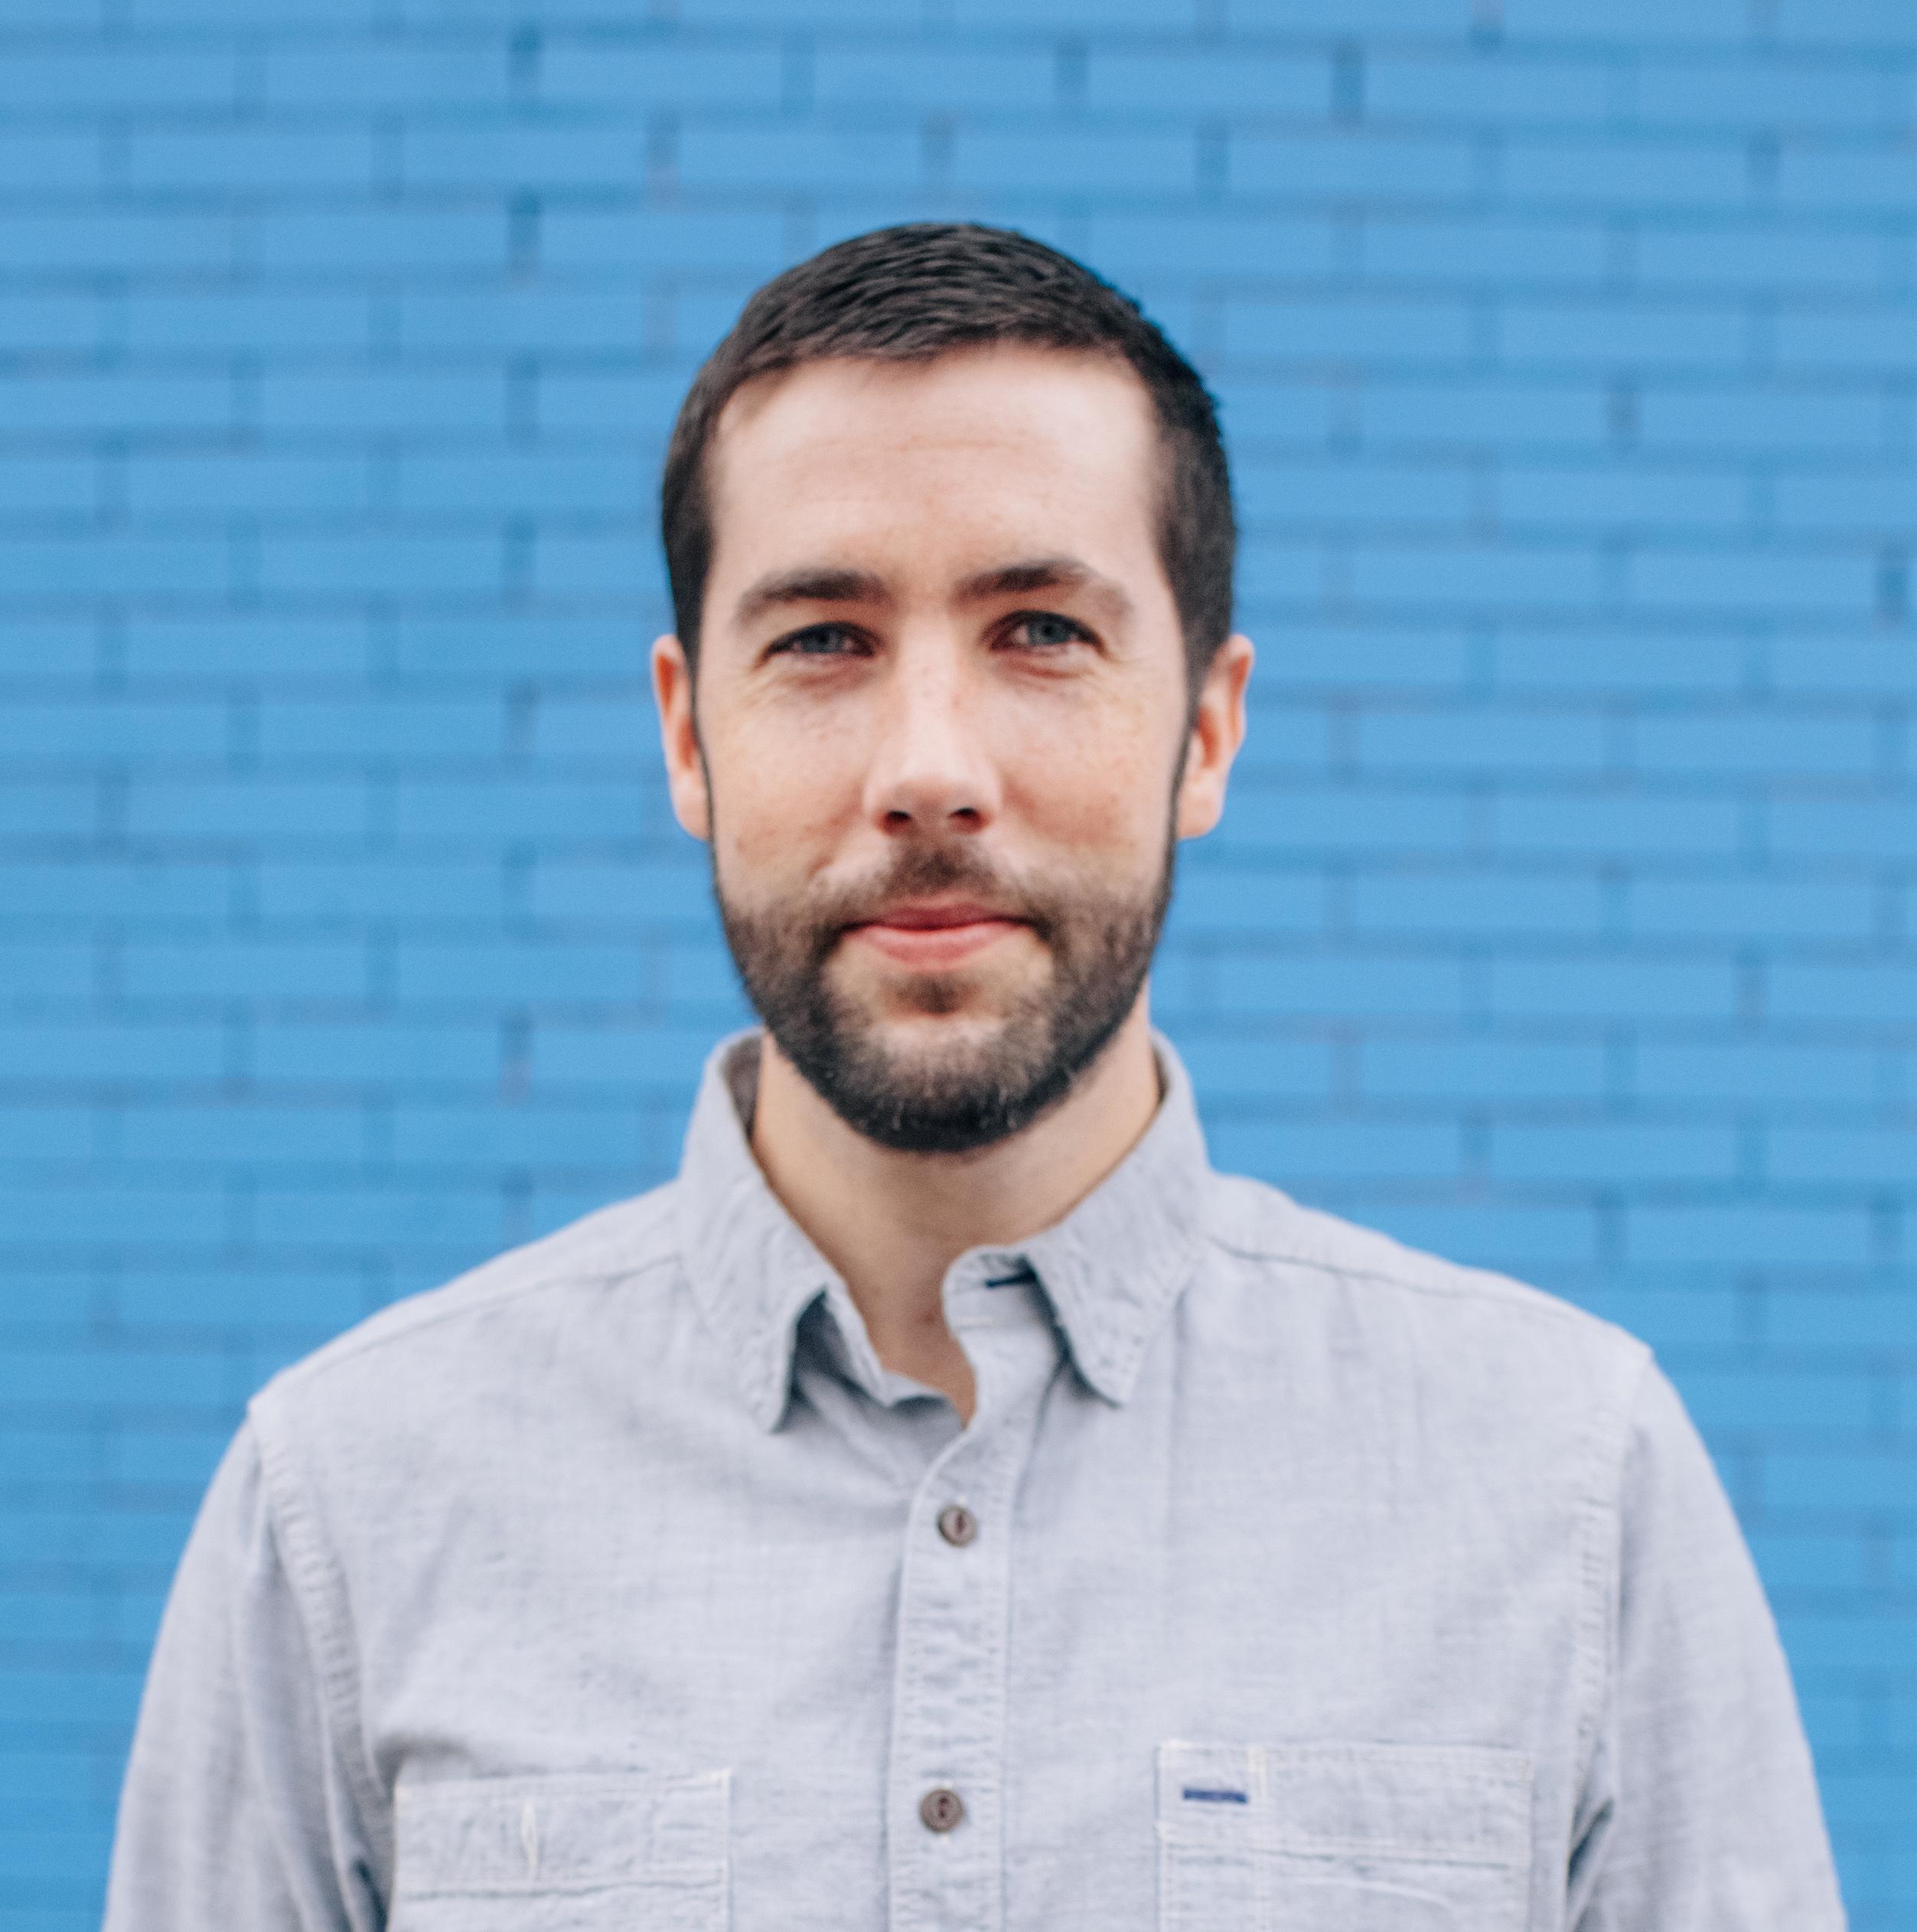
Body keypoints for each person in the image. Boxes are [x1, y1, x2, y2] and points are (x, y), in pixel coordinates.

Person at [103, 222, 1844, 1931]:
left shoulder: (1560, 1478)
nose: (928, 769)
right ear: (685, 734)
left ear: (1208, 729)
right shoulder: (346, 1498)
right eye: (822, 641)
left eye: (1038, 633)